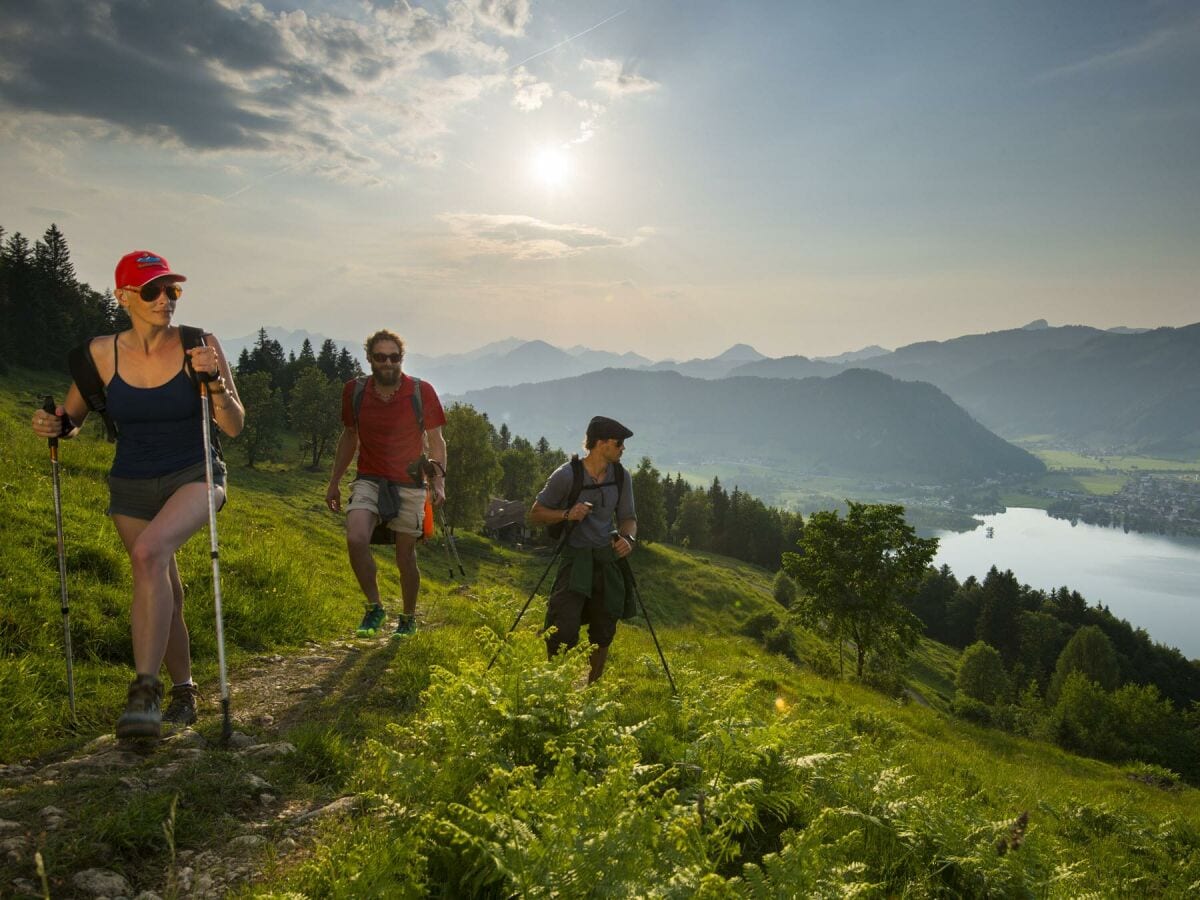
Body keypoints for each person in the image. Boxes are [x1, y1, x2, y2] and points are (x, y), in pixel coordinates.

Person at [30, 250, 244, 739]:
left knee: (149, 555)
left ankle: (143, 695)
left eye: (172, 290)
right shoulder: (97, 356)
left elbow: (233, 424)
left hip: (196, 472)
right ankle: (185, 690)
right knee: (159, 579)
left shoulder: (198, 345)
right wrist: (54, 425)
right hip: (130, 482)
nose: (165, 299)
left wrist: (213, 385)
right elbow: (73, 421)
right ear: (123, 296)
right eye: (152, 290)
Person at [325, 329, 446, 638]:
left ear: (401, 359)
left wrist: (439, 482)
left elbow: (436, 440)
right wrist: (334, 481)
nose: (388, 363)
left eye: (394, 357)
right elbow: (349, 436)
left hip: (409, 482)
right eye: (381, 357)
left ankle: (407, 616)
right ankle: (375, 607)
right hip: (370, 478)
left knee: (405, 556)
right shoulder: (355, 391)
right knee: (355, 538)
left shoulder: (421, 391)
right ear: (370, 359)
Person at [529, 416, 637, 683]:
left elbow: (628, 518)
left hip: (605, 559)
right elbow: (536, 513)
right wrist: (567, 514)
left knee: (604, 628)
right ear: (601, 443)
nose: (623, 448)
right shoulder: (566, 475)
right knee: (561, 627)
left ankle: (593, 688)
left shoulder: (621, 477)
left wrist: (629, 539)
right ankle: (554, 685)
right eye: (619, 443)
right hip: (575, 559)